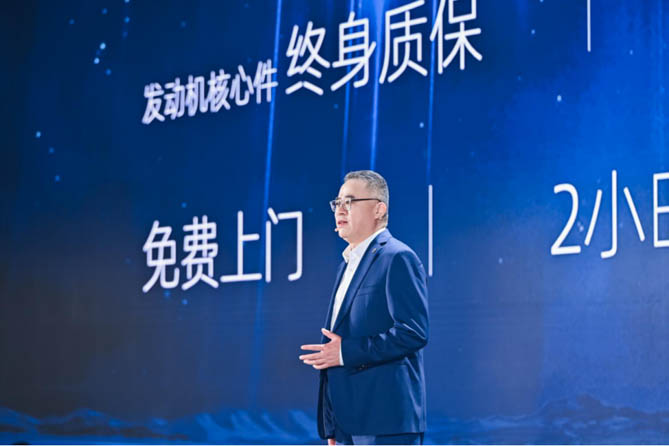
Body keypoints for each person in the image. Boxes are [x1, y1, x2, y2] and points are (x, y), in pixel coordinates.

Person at [299, 170, 429, 445]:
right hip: (348, 426)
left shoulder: (397, 257)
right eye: (337, 203)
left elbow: (413, 333)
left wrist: (344, 352)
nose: (340, 209)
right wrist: (333, 426)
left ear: (379, 209)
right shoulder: (346, 265)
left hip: (386, 423)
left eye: (350, 201)